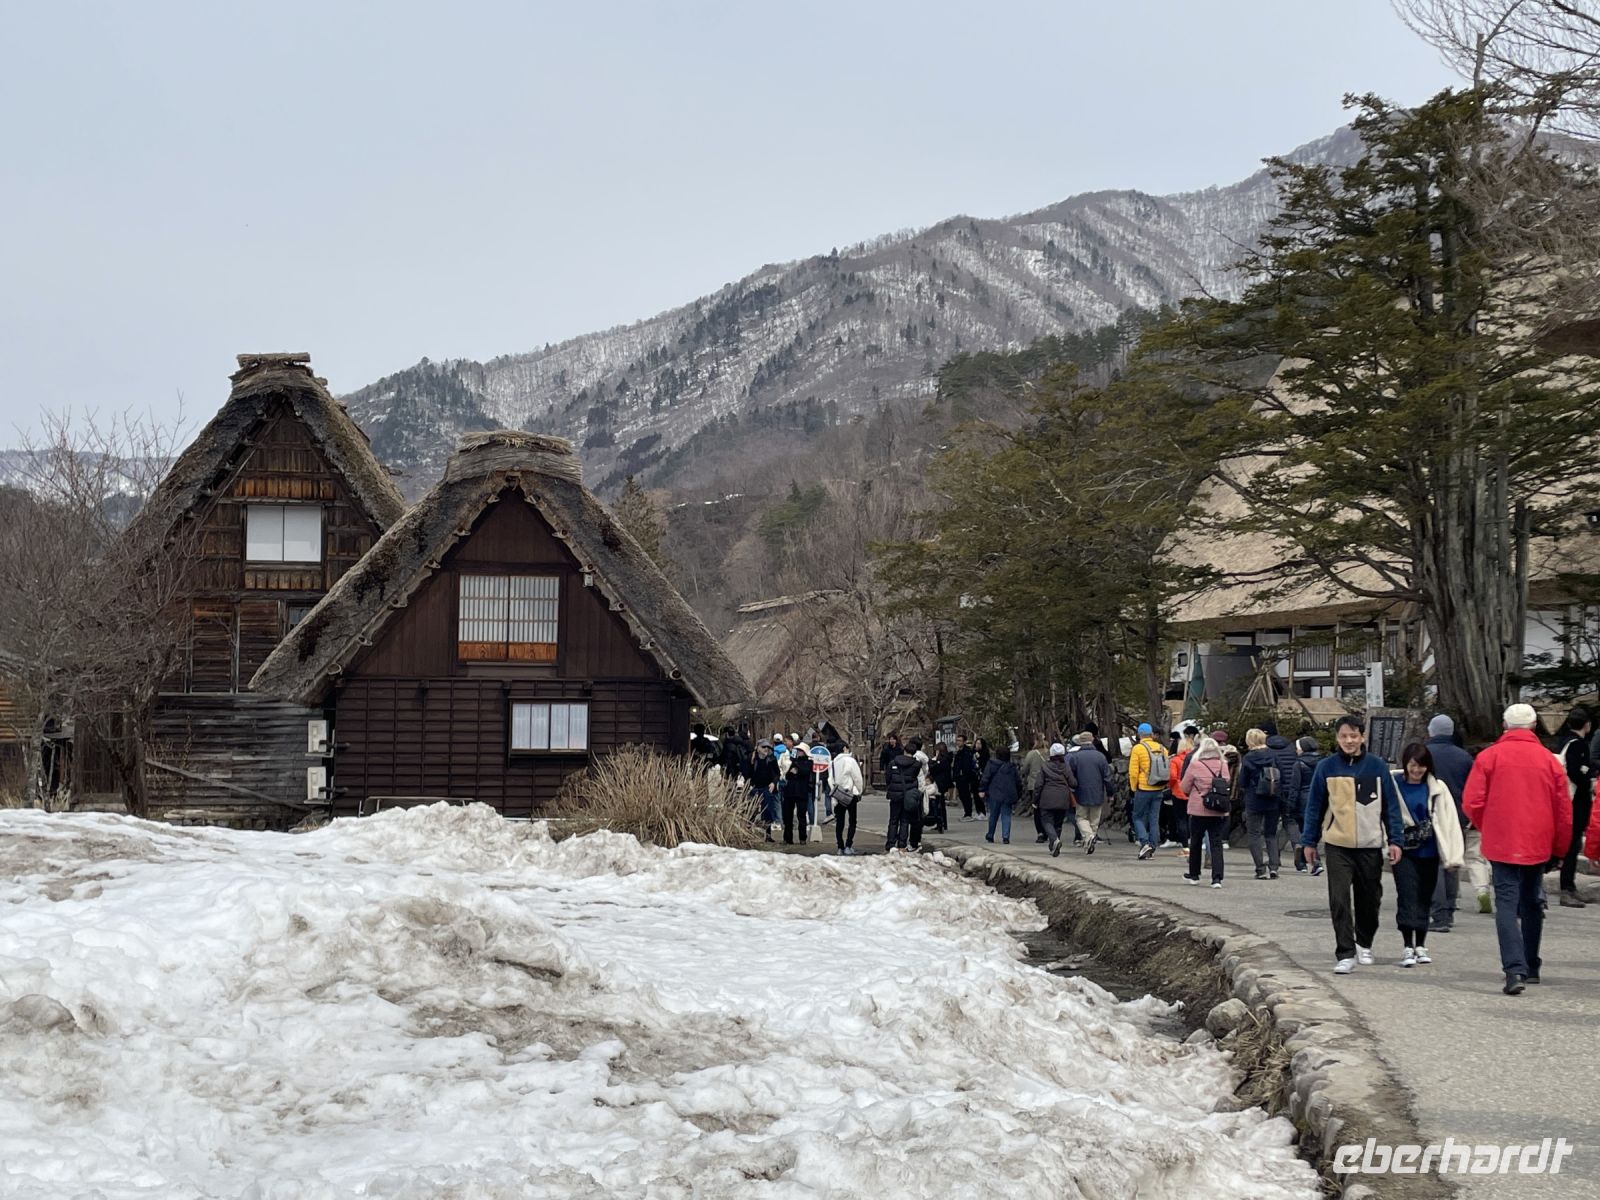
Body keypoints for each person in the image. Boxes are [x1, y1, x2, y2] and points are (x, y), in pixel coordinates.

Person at [1464, 703, 1573, 994]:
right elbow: (1563, 810)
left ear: (1504, 726)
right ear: (1535, 726)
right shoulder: (1549, 761)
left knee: (1507, 903)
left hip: (1502, 842)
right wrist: (1560, 849)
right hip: (1538, 841)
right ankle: (1531, 964)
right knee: (1532, 902)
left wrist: (1490, 825)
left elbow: (1472, 801)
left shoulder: (1489, 757)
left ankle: (1514, 970)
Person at [1301, 715, 1405, 976]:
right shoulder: (1326, 767)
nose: (1349, 740)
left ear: (1362, 737)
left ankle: (1364, 942)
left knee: (1370, 898)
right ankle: (1345, 951)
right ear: (1337, 738)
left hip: (1370, 844)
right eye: (1344, 736)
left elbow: (1390, 806)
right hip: (1338, 843)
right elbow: (1315, 806)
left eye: (1354, 735)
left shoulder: (1377, 766)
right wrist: (1308, 841)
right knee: (1339, 898)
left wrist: (1395, 839)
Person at [1390, 743, 1464, 966]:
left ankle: (1420, 944)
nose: (1417, 770)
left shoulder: (1437, 788)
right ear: (1406, 763)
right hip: (1403, 850)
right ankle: (1406, 945)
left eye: (1421, 766)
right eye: (1413, 765)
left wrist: (1453, 854)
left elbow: (1449, 820)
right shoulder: (1393, 785)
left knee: (1424, 897)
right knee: (1407, 896)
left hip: (1429, 851)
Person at [1422, 714, 1479, 930]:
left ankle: (1439, 914)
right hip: (1457, 816)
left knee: (1432, 864)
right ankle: (1450, 907)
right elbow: (1472, 790)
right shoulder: (1464, 757)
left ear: (1431, 731)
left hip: (1428, 814)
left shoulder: (1423, 754)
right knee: (1451, 861)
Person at [1238, 727, 1299, 880]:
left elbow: (1242, 781)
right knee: (1271, 834)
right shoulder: (1273, 755)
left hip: (1254, 799)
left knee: (1254, 834)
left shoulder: (1248, 758)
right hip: (1273, 798)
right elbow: (1283, 776)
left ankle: (1260, 868)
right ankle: (1274, 867)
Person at [1554, 707, 1594, 908]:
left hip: (1566, 799)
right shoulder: (1578, 745)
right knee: (1572, 845)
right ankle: (1567, 887)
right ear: (1587, 724)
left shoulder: (1563, 742)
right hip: (1575, 800)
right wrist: (1590, 779)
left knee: (1571, 843)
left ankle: (1569, 885)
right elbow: (1577, 772)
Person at [1180, 736, 1231, 887]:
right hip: (1218, 809)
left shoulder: (1195, 764)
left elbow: (1184, 787)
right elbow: (1226, 782)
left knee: (1195, 842)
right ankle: (1217, 878)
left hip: (1198, 809)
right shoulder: (1223, 765)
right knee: (1216, 843)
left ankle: (1194, 875)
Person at [1128, 722, 1170, 861]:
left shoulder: (1138, 748)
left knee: (1137, 817)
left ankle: (1144, 842)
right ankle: (1152, 846)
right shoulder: (1162, 748)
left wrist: (1134, 787)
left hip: (1144, 787)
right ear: (1152, 734)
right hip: (1159, 787)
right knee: (1154, 818)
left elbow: (1133, 772)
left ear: (1139, 735)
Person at [1069, 731, 1113, 851]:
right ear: (1092, 740)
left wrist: (1073, 787)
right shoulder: (1100, 757)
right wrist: (1110, 792)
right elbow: (1107, 777)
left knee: (1081, 817)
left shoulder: (1075, 757)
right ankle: (1091, 838)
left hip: (1080, 792)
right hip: (1098, 792)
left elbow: (1071, 776)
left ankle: (1088, 837)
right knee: (1094, 819)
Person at [884, 737, 924, 853]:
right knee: (905, 821)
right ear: (914, 753)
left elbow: (888, 777)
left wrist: (891, 787)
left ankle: (890, 844)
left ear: (904, 751)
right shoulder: (916, 765)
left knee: (893, 820)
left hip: (895, 794)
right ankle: (902, 844)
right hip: (908, 794)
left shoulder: (893, 762)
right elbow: (915, 778)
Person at [1037, 743, 1077, 857]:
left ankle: (1054, 840)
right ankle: (1053, 846)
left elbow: (1039, 784)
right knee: (1058, 824)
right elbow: (1073, 783)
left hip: (1047, 798)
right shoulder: (1066, 767)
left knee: (1047, 821)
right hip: (1063, 798)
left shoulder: (1045, 766)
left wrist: (1035, 800)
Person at [1291, 736, 1323, 875]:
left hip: (1303, 800)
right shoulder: (1323, 762)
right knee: (1313, 831)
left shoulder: (1299, 764)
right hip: (1320, 799)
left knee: (1305, 832)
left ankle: (1314, 861)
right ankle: (1303, 861)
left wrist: (1291, 804)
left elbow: (1295, 787)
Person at [979, 745, 1022, 844]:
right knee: (1006, 815)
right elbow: (1018, 781)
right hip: (1008, 794)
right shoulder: (1012, 767)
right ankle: (1006, 836)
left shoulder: (991, 764)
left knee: (993, 815)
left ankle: (990, 835)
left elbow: (985, 778)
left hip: (994, 793)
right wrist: (1018, 793)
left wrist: (982, 789)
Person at [830, 739, 864, 855]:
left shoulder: (833, 762)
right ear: (845, 748)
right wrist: (859, 791)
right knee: (852, 821)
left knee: (840, 822)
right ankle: (848, 846)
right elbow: (857, 778)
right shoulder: (850, 761)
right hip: (850, 794)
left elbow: (831, 780)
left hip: (838, 794)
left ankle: (840, 846)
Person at [1166, 729, 1196, 857]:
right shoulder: (1195, 759)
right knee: (1193, 819)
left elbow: (1172, 777)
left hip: (1178, 792)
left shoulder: (1176, 760)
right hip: (1193, 791)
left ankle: (1185, 847)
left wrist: (1171, 787)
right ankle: (1194, 843)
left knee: (1181, 819)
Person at [780, 744, 813, 845]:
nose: (798, 752)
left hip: (801, 791)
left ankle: (802, 838)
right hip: (790, 791)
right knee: (787, 816)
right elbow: (788, 774)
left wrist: (796, 768)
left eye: (800, 750)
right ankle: (787, 838)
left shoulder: (808, 762)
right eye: (797, 750)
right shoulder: (793, 761)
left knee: (801, 815)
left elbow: (805, 771)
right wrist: (794, 768)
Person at [750, 740, 782, 842]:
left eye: (767, 747)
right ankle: (748, 832)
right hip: (755, 787)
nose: (766, 749)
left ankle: (767, 835)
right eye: (763, 747)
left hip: (767, 787)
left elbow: (777, 773)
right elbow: (747, 771)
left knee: (767, 811)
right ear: (758, 748)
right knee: (752, 810)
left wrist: (773, 782)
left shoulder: (771, 759)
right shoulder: (752, 759)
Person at [1022, 735, 1049, 843]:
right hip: (1049, 784)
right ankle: (1049, 830)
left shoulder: (1031, 754)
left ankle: (1040, 833)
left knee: (1036, 809)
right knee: (1047, 809)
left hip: (1034, 785)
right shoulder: (1050, 753)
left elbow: (1024, 769)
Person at [953, 734, 981, 821]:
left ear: (964, 742)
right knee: (962, 795)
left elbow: (968, 765)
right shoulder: (958, 753)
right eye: (957, 740)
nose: (958, 742)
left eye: (960, 741)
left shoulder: (968, 752)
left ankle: (968, 813)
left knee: (966, 795)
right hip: (959, 777)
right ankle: (966, 813)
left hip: (966, 777)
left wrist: (966, 775)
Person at [928, 741, 954, 834]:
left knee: (939, 803)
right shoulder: (946, 759)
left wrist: (932, 763)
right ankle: (942, 822)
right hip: (942, 782)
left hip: (940, 783)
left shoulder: (943, 760)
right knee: (941, 804)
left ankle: (941, 822)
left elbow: (935, 768)